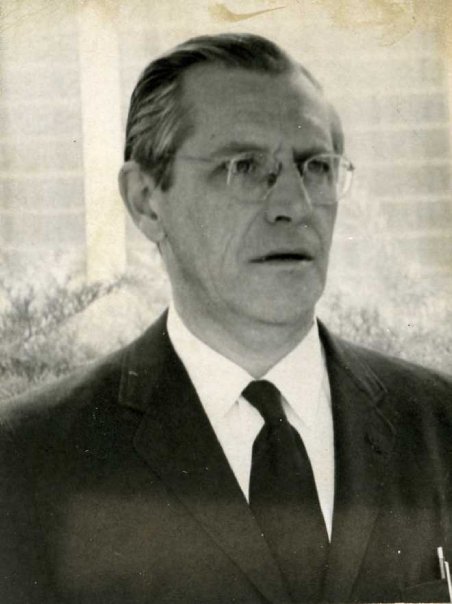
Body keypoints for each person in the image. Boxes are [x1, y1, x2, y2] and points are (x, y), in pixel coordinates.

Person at [1, 33, 452, 604]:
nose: (294, 205)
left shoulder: (440, 427)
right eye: (244, 166)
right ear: (146, 200)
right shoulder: (27, 463)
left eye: (315, 167)